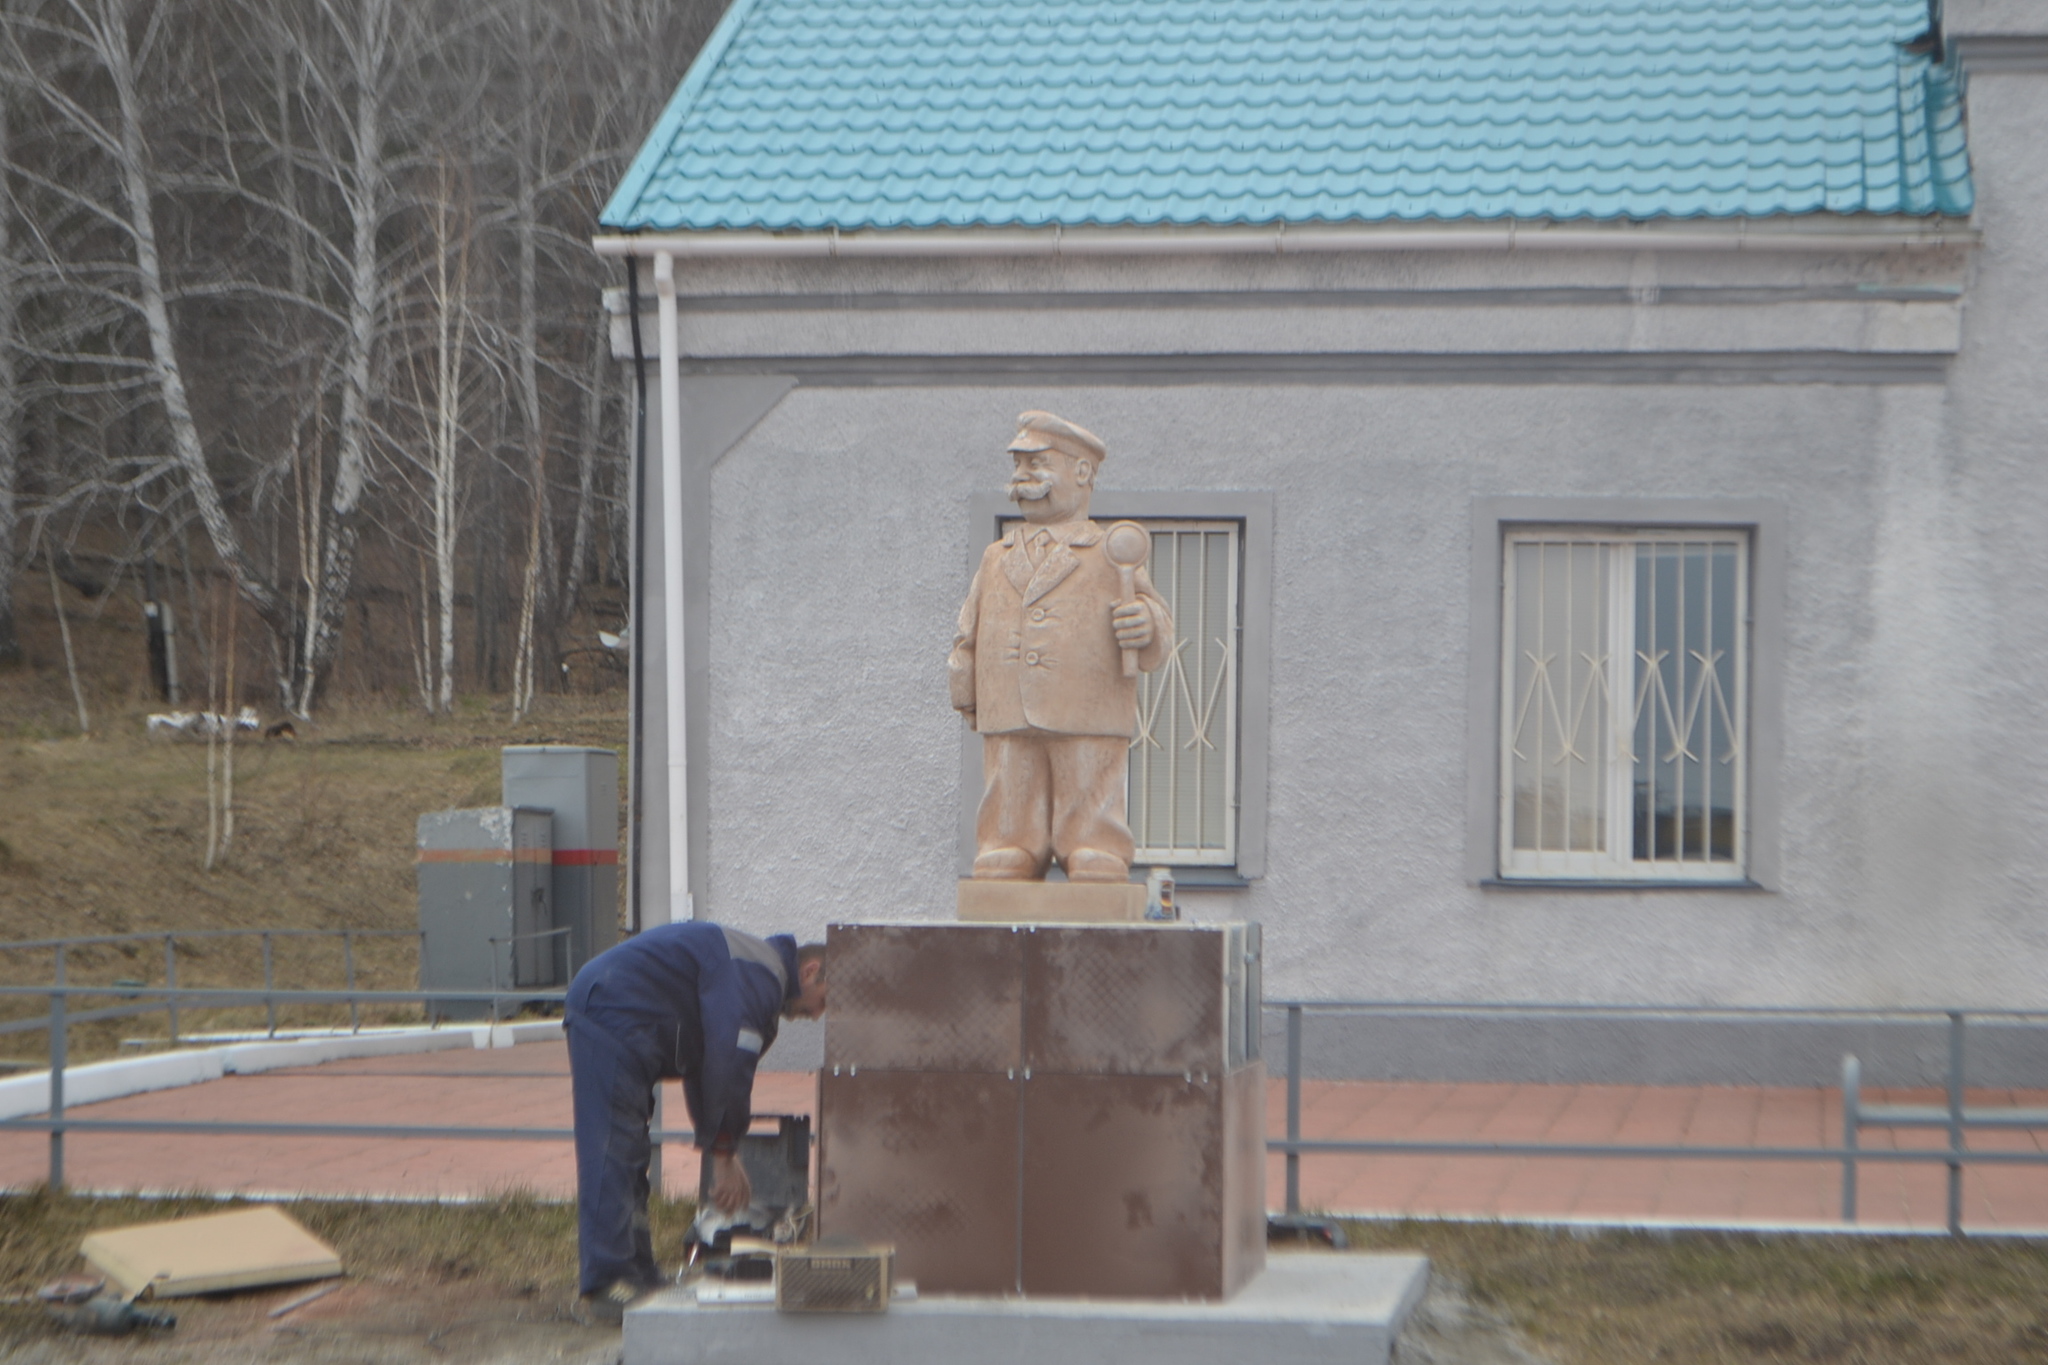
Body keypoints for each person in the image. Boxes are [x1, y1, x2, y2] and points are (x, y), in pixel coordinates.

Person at [948, 410, 1174, 882]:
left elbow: (1156, 619)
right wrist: (964, 678)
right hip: (1008, 701)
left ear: (1083, 472)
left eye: (1037, 464)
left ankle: (1092, 843)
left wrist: (1145, 626)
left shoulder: (1111, 550)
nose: (1022, 479)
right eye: (1018, 466)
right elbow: (971, 621)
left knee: (1087, 776)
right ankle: (1011, 843)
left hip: (1085, 701)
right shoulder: (997, 555)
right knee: (1010, 779)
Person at [564, 920, 827, 1317]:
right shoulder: (762, 977)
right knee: (612, 1151)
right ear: (810, 971)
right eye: (825, 1000)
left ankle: (637, 1273)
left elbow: (704, 1064)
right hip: (611, 1010)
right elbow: (727, 1066)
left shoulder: (754, 971)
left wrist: (723, 1147)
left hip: (626, 1017)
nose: (818, 1014)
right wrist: (722, 1152)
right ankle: (607, 1285)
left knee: (630, 1154)